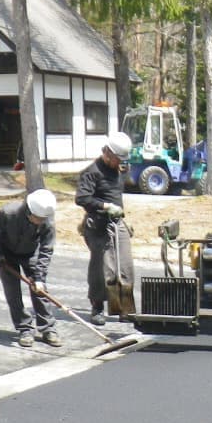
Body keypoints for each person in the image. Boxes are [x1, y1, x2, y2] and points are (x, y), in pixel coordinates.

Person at [0, 188, 60, 348]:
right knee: (13, 293)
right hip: (6, 254)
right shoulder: (8, 213)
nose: (40, 221)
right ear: (29, 211)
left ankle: (48, 329)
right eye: (37, 218)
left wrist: (39, 277)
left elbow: (46, 250)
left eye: (42, 219)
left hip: (31, 253)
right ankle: (24, 328)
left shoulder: (47, 221)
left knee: (40, 291)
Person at [75, 131, 135, 325]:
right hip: (98, 225)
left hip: (118, 222)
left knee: (125, 266)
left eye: (122, 161)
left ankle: (124, 308)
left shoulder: (121, 169)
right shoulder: (92, 172)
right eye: (117, 159)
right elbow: (82, 198)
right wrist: (105, 206)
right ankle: (97, 307)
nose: (119, 164)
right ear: (107, 153)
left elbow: (118, 190)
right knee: (102, 268)